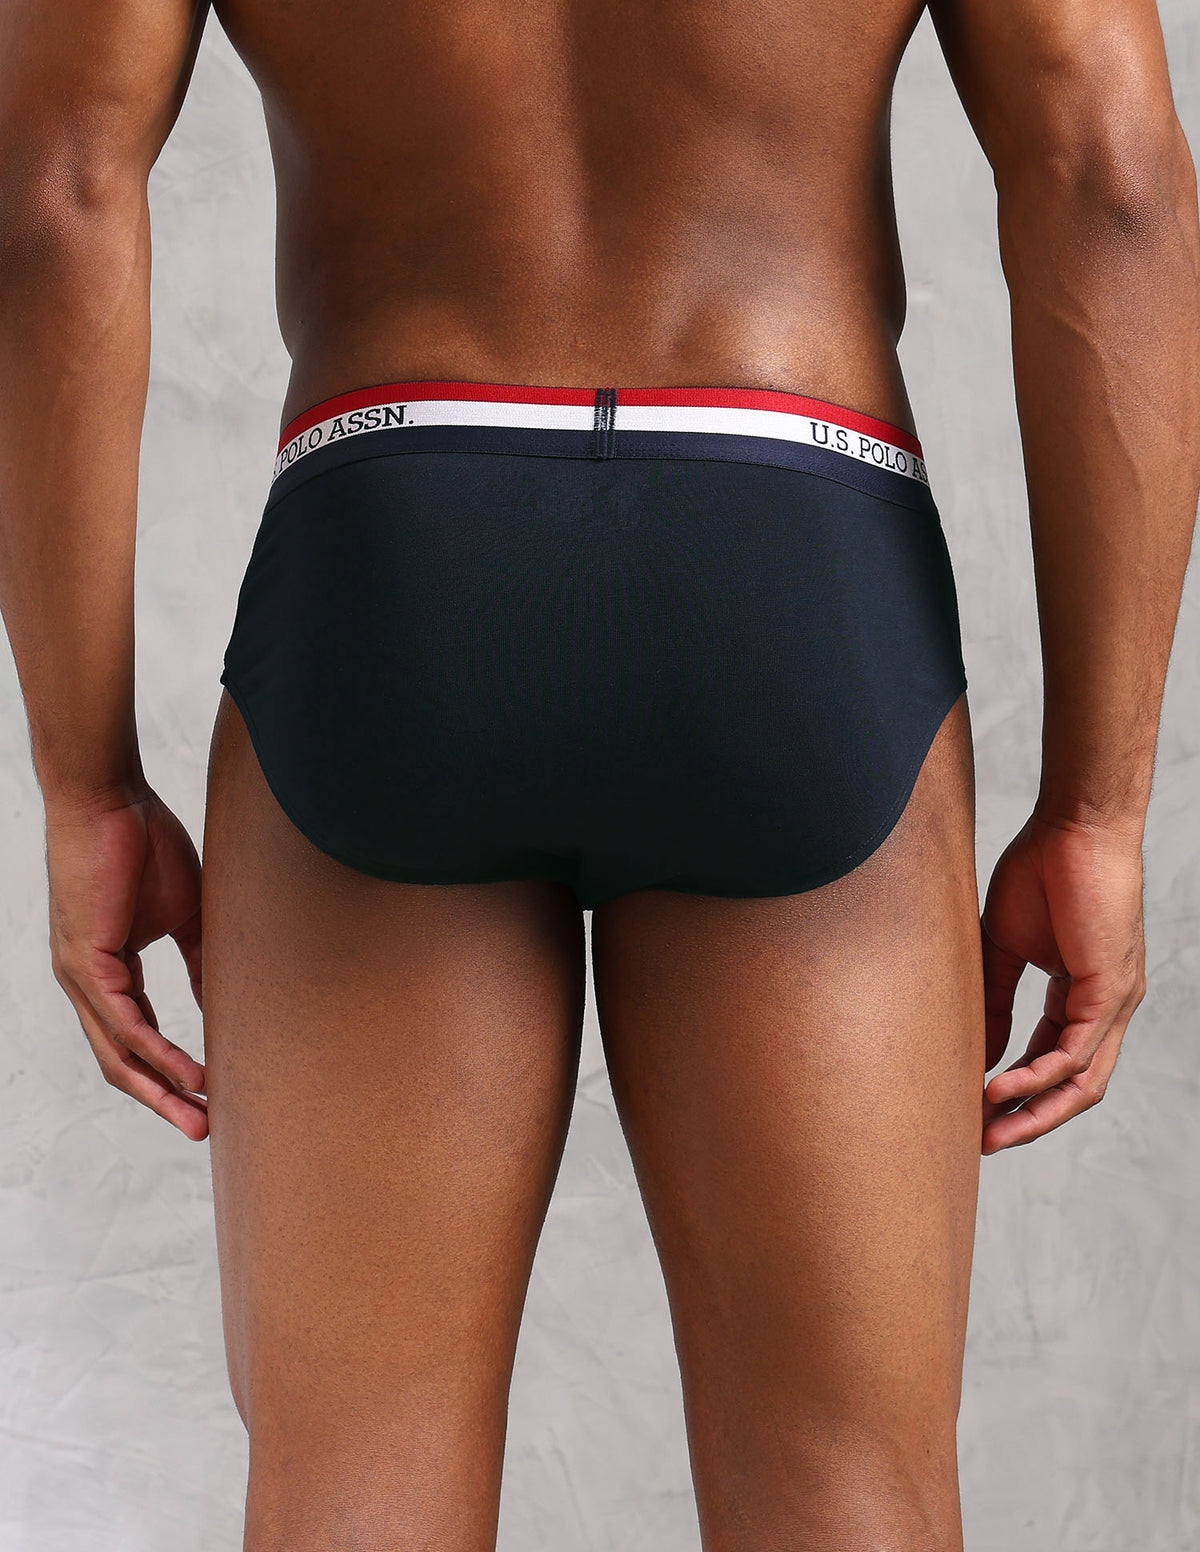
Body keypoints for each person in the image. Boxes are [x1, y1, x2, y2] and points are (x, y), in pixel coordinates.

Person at [1, 0, 1197, 1545]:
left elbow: (49, 191)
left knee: (352, 1491)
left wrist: (85, 782)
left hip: (396, 549)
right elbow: (1111, 174)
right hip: (790, 543)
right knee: (847, 1490)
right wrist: (1097, 807)